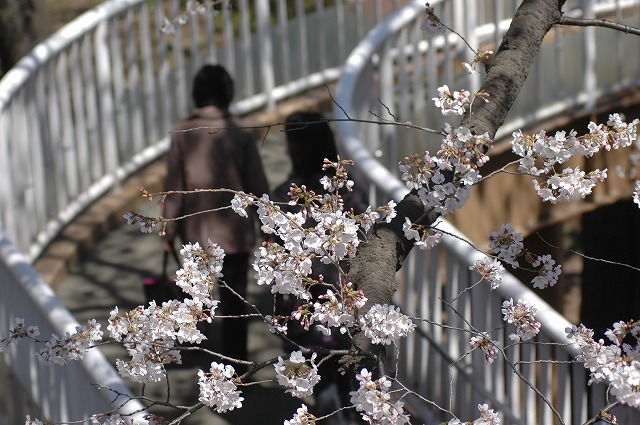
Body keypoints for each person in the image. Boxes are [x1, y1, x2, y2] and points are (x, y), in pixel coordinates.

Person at [162, 64, 269, 373]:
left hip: (194, 233)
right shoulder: (240, 131)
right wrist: (268, 227)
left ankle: (198, 359)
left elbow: (174, 189)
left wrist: (167, 230)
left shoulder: (182, 132)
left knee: (197, 299)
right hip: (234, 234)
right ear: (227, 92)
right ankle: (236, 366)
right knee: (235, 304)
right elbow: (257, 182)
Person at [272, 111, 368, 424]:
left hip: (307, 307)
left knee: (324, 380)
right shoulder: (349, 191)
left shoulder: (284, 198)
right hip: (351, 296)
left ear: (294, 148)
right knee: (360, 382)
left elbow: (274, 255)